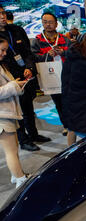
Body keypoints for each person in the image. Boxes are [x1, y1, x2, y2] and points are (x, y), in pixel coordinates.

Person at [0, 5, 50, 151]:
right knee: (17, 110)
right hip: (8, 79)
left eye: (3, 13)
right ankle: (23, 140)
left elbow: (28, 52)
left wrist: (29, 67)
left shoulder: (17, 30)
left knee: (28, 107)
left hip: (25, 74)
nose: (2, 16)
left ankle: (33, 134)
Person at [32, 12, 70, 137]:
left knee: (69, 100)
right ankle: (66, 125)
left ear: (56, 23)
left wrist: (62, 52)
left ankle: (72, 122)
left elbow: (73, 53)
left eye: (50, 22)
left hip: (66, 74)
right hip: (50, 76)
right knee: (58, 102)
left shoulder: (64, 39)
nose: (47, 25)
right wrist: (48, 55)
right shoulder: (37, 41)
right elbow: (34, 57)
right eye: (45, 22)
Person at [0, 37, 29, 188]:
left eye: (5, 50)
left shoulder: (2, 65)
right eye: (2, 50)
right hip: (2, 115)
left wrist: (16, 85)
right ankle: (20, 180)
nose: (4, 53)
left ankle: (16, 175)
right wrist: (13, 85)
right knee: (10, 150)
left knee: (14, 147)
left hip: (9, 113)